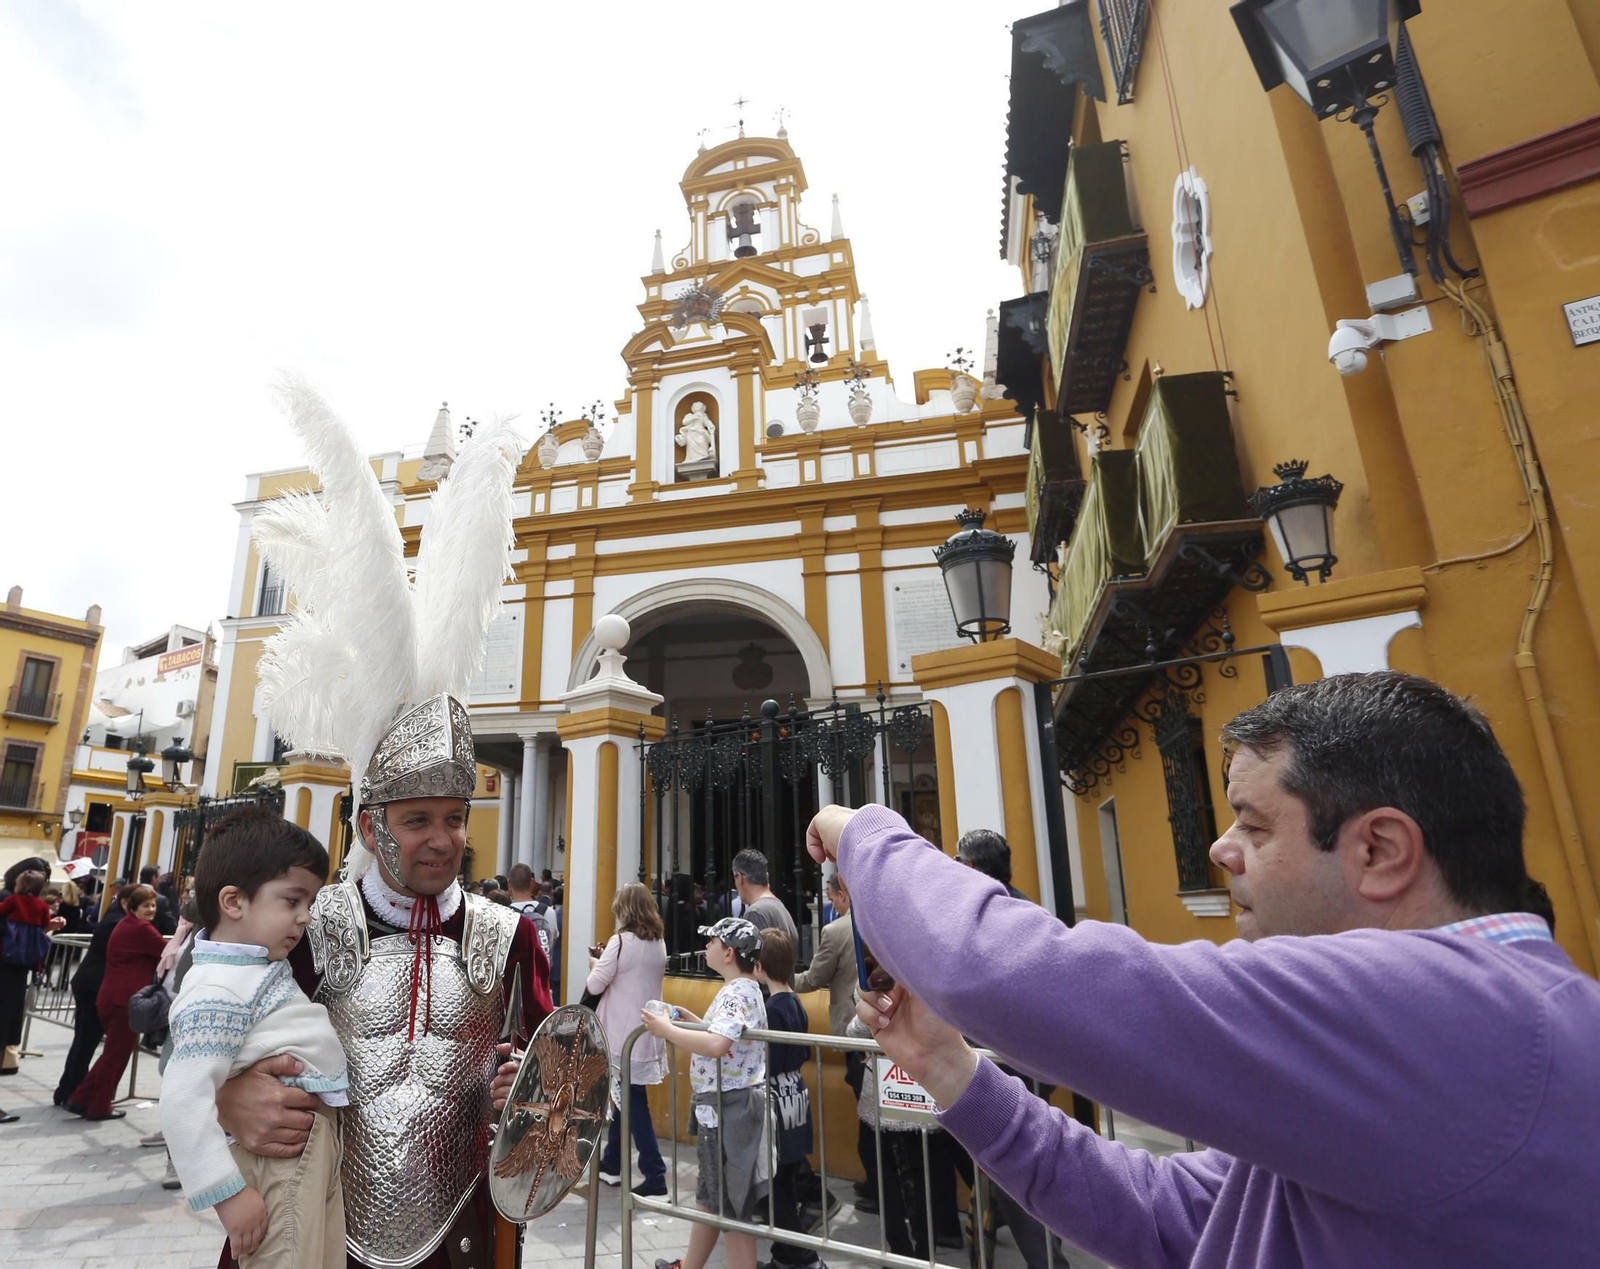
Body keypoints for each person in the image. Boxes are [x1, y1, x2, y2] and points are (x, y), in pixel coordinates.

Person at [810, 671, 1600, 1267]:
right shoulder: (1478, 1025)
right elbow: (1176, 1217)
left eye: (1254, 826)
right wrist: (953, 1071)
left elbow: (999, 969)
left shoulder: (1464, 1019)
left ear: (1379, 849)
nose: (1221, 848)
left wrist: (861, 832)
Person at [201, 377, 546, 1269]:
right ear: (368, 825)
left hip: (466, 1239)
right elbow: (203, 1033)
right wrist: (230, 1097)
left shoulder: (512, 938)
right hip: (315, 1231)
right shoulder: (305, 929)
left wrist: (529, 1097)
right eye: (417, 817)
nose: (441, 837)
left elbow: (563, 1102)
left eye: (453, 817)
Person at [161, 811, 347, 1266]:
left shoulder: (251, 967)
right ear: (233, 902)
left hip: (306, 1149)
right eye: (292, 900)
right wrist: (226, 1194)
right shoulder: (218, 990)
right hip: (279, 1158)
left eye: (309, 902)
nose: (305, 917)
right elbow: (182, 1100)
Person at [644, 917, 768, 1269]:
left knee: (731, 1207)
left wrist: (667, 1030)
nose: (706, 946)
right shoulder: (744, 989)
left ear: (729, 953)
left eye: (712, 941)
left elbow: (717, 1044)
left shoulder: (736, 992)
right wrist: (694, 1022)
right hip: (726, 1105)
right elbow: (726, 1038)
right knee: (712, 1198)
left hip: (728, 1107)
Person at [792, 870, 877, 1207]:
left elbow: (815, 977)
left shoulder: (837, 930)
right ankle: (879, 1182)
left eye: (832, 897)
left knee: (867, 1109)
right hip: (885, 1026)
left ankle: (877, 1183)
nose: (831, 904)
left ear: (843, 894)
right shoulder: (880, 921)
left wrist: (781, 978)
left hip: (854, 1029)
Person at [588, 881, 668, 1197]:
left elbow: (595, 985)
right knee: (626, 1099)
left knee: (633, 1103)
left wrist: (596, 962)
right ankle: (612, 1163)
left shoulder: (620, 942)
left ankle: (655, 1173)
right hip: (644, 1033)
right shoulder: (658, 943)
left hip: (620, 1035)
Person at [754, 930, 826, 1269]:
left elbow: (770, 1058)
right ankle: (783, 1257)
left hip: (776, 1100)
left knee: (774, 1190)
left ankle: (804, 1257)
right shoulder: (795, 1002)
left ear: (760, 966)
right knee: (784, 1180)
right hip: (795, 1095)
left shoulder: (771, 1009)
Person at [68, 883, 166, 1120]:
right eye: (146, 906)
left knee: (112, 1054)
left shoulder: (127, 924)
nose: (151, 910)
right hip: (124, 1001)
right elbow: (167, 950)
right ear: (133, 907)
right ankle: (99, 1106)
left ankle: (81, 1099)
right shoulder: (141, 928)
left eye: (153, 905)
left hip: (112, 997)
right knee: (115, 1057)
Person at [55, 885, 127, 1109]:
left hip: (87, 982)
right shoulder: (118, 922)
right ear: (126, 903)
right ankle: (72, 1092)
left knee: (81, 1042)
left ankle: (66, 1090)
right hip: (95, 985)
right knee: (85, 1043)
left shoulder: (112, 917)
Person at [508, 861, 560, 990]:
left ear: (509, 884)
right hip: (541, 983)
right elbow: (551, 942)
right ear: (532, 883)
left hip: (513, 983)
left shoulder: (503, 913)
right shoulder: (548, 912)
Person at [732, 849, 797, 949]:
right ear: (767, 876)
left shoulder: (755, 912)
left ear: (740, 877)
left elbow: (756, 956)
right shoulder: (778, 906)